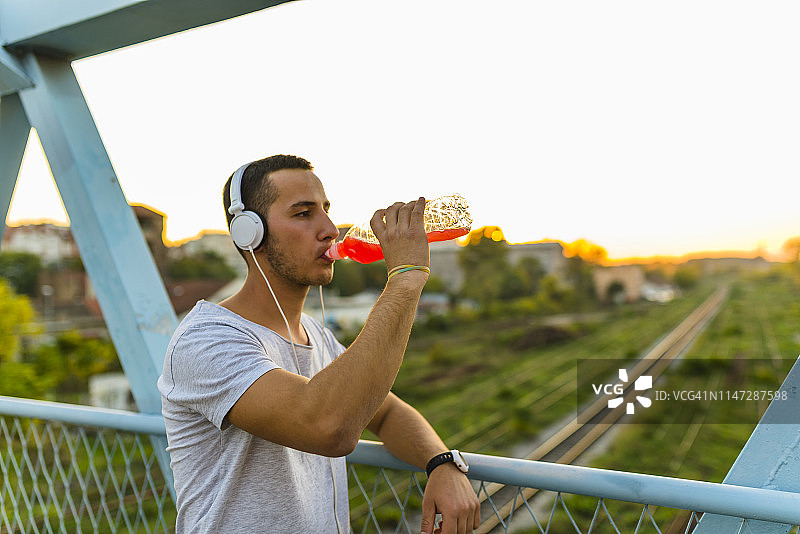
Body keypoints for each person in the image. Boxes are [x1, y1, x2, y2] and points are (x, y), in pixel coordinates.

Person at [158, 155, 480, 533]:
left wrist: (441, 463)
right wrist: (405, 279)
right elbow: (330, 426)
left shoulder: (316, 335)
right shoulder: (206, 339)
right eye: (303, 214)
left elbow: (388, 412)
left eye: (326, 211)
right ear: (249, 233)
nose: (330, 229)